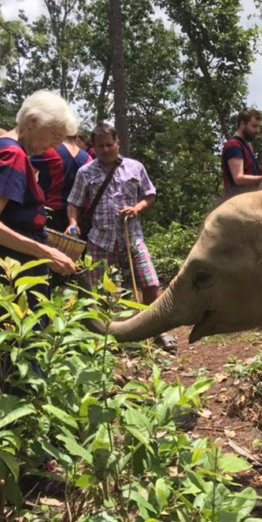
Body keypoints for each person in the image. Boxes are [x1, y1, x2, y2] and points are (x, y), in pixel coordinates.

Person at [66, 122, 176, 353]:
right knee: (105, 288)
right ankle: (110, 334)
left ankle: (157, 330)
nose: (106, 149)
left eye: (110, 144)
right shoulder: (85, 172)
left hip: (132, 236)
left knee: (150, 282)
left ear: (118, 144)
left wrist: (137, 208)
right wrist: (73, 223)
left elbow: (150, 195)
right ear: (94, 147)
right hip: (100, 239)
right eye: (101, 146)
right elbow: (74, 203)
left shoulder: (135, 167)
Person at [0, 90, 78, 291]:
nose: (55, 147)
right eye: (55, 136)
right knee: (18, 322)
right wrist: (46, 252)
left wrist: (13, 223)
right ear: (32, 121)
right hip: (12, 268)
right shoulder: (13, 155)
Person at [31, 135, 92, 232]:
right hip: (75, 219)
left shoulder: (49, 150)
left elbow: (26, 176)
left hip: (45, 212)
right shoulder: (88, 160)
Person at [221, 109, 262, 196]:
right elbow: (238, 178)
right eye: (254, 126)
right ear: (242, 124)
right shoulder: (234, 145)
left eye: (259, 127)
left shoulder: (248, 147)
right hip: (238, 203)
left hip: (250, 199)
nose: (257, 130)